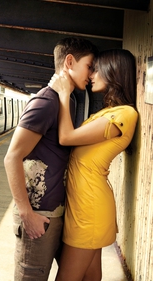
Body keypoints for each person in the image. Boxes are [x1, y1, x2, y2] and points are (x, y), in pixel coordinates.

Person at [4, 37, 98, 281]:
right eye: (89, 66)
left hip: (58, 212)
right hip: (40, 213)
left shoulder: (65, 101)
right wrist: (26, 214)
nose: (92, 74)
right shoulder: (46, 101)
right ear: (69, 62)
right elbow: (12, 157)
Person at [49, 49, 138, 281]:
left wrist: (63, 94)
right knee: (90, 277)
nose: (91, 75)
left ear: (114, 73)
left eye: (96, 69)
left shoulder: (125, 114)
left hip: (90, 210)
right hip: (82, 206)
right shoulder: (107, 113)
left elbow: (66, 137)